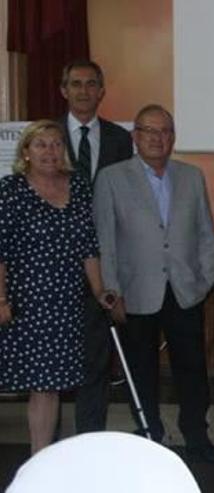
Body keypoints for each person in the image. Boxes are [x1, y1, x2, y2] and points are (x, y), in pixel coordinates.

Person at [93, 105, 214, 463]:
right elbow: (105, 240)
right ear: (135, 136)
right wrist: (112, 290)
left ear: (173, 137)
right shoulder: (112, 178)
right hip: (134, 293)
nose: (157, 138)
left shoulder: (191, 176)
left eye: (164, 131)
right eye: (149, 131)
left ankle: (197, 435)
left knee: (193, 369)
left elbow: (205, 235)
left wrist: (203, 281)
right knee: (142, 370)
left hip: (184, 290)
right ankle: (149, 434)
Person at [0, 120, 113, 454]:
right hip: (29, 302)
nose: (49, 152)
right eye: (41, 145)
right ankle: (39, 459)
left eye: (55, 144)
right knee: (42, 385)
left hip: (66, 303)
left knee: (55, 384)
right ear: (26, 152)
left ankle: (49, 457)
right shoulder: (11, 189)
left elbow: (88, 246)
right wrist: (1, 297)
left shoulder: (77, 186)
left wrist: (98, 290)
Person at [59, 59, 134, 434]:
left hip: (101, 262)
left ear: (102, 91)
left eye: (91, 84)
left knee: (96, 357)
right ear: (64, 90)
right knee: (52, 359)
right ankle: (48, 445)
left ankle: (89, 435)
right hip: (52, 264)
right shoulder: (46, 136)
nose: (84, 91)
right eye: (76, 84)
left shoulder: (121, 139)